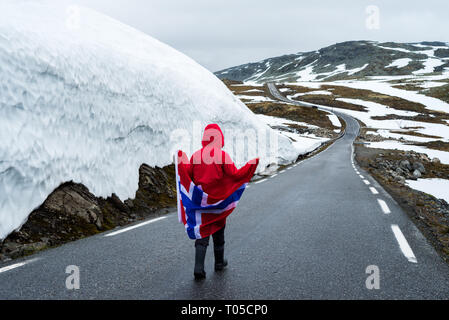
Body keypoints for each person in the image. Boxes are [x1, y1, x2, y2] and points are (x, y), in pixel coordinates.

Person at [187, 124, 259, 280]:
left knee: (203, 231)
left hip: (201, 202)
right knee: (219, 230)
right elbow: (235, 175)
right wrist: (250, 166)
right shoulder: (222, 156)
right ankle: (219, 263)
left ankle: (199, 267)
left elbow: (188, 177)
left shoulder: (195, 156)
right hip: (218, 202)